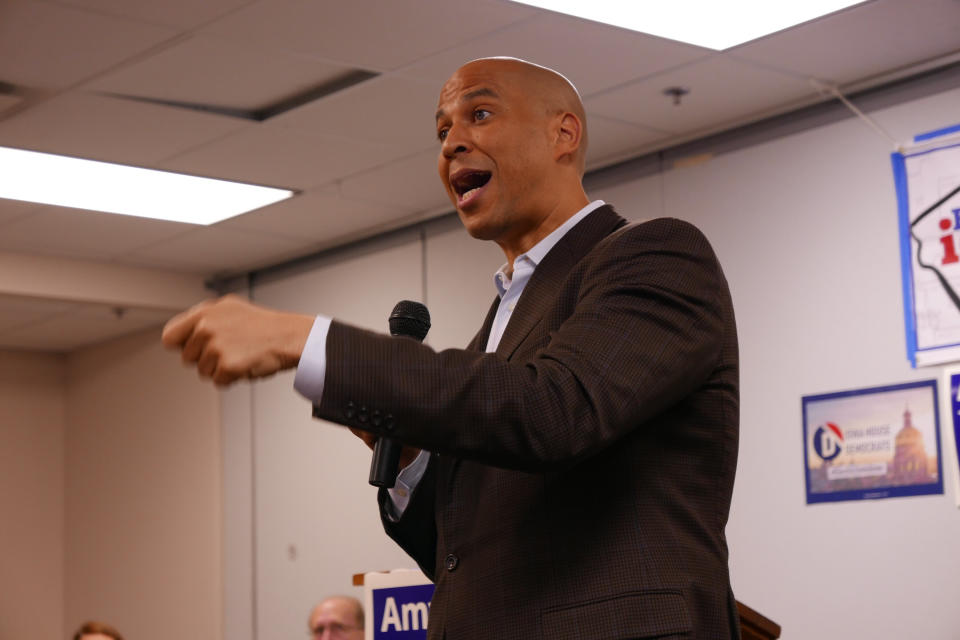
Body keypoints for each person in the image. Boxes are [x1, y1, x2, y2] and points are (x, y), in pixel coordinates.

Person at [163, 57, 741, 639]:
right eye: (442, 132)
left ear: (563, 133)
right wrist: (413, 459)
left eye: (479, 115)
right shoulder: (500, 325)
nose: (451, 145)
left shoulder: (657, 255)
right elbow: (462, 553)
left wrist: (305, 340)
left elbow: (555, 412)